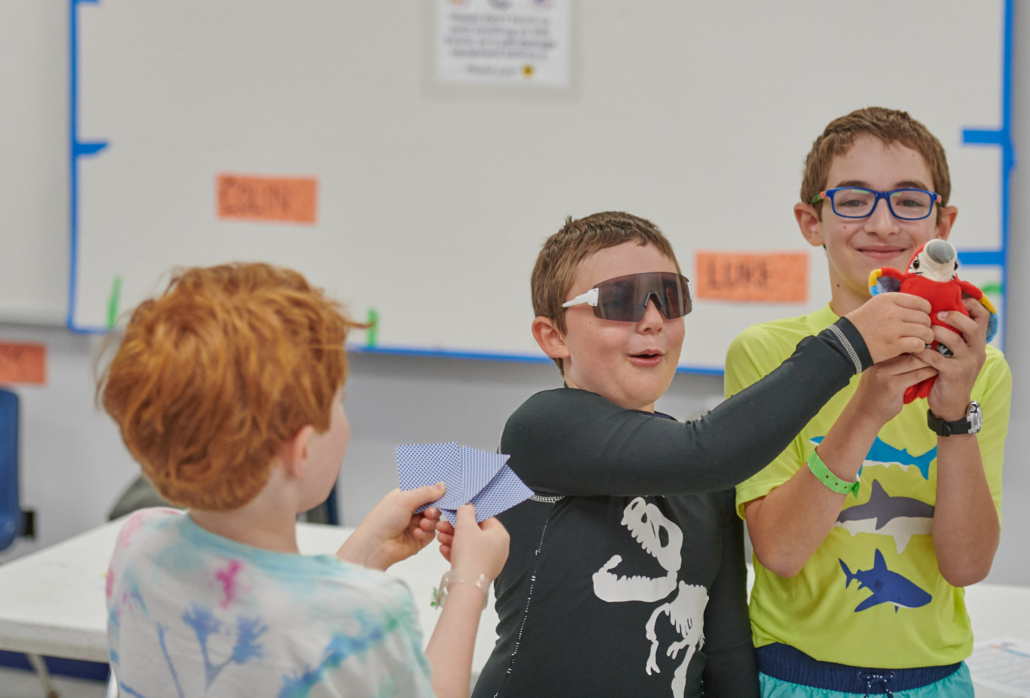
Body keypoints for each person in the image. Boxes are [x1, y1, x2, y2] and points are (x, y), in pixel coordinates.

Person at [435, 211, 935, 698]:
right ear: (554, 336)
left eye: (669, 298)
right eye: (619, 300)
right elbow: (709, 451)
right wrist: (848, 344)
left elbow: (726, 648)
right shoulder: (541, 428)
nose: (653, 320)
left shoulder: (707, 476)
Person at [99, 263, 509, 698]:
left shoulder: (137, 545)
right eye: (339, 401)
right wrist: (469, 581)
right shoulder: (372, 614)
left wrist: (367, 549)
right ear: (303, 449)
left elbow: (299, 621)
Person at [728, 107, 1011, 697]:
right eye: (854, 200)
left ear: (943, 223)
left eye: (908, 201)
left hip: (936, 679)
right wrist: (866, 409)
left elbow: (966, 567)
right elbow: (780, 551)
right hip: (795, 676)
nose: (883, 225)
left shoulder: (981, 368)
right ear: (812, 221)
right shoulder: (766, 353)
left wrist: (954, 417)